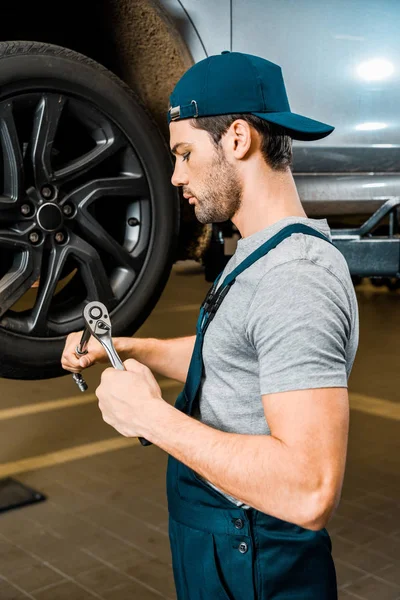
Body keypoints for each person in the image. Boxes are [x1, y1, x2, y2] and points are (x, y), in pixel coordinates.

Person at [62, 51, 359, 599]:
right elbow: (229, 356)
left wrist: (151, 418)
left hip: (257, 561)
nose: (174, 176)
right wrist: (130, 348)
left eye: (183, 153)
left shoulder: (295, 277)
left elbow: (308, 490)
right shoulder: (259, 254)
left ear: (238, 138)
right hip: (225, 548)